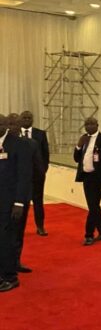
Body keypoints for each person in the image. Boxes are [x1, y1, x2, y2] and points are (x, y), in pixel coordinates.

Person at [7, 113, 43, 274]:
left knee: (18, 231)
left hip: (22, 196)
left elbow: (39, 169)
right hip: (4, 195)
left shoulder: (31, 144)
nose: (12, 127)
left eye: (15, 124)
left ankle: (15, 262)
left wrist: (31, 189)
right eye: (9, 124)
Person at [0, 113, 31, 293]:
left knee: (6, 239)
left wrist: (19, 202)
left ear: (5, 125)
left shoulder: (19, 144)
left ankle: (10, 277)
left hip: (10, 202)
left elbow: (24, 175)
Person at [73, 117, 101, 246]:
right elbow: (76, 159)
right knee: (94, 206)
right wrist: (78, 146)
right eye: (87, 124)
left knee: (93, 206)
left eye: (92, 124)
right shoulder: (84, 139)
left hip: (99, 178)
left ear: (97, 125)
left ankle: (89, 235)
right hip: (87, 177)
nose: (89, 126)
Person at [19, 111, 49, 236]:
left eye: (29, 118)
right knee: (21, 202)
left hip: (37, 176)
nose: (27, 119)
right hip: (20, 176)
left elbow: (45, 154)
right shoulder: (14, 133)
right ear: (20, 120)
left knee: (38, 202)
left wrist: (42, 170)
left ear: (33, 119)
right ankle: (19, 228)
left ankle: (40, 226)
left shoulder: (40, 134)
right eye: (24, 118)